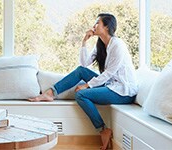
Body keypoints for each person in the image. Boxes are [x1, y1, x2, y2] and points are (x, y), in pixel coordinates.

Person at [29, 13, 138, 149]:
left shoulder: (117, 45)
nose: (94, 25)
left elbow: (109, 73)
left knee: (81, 95)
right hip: (111, 86)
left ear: (107, 27)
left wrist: (87, 85)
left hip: (123, 91)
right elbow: (84, 64)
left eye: (98, 22)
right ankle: (51, 93)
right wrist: (84, 42)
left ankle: (103, 130)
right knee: (81, 70)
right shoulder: (101, 45)